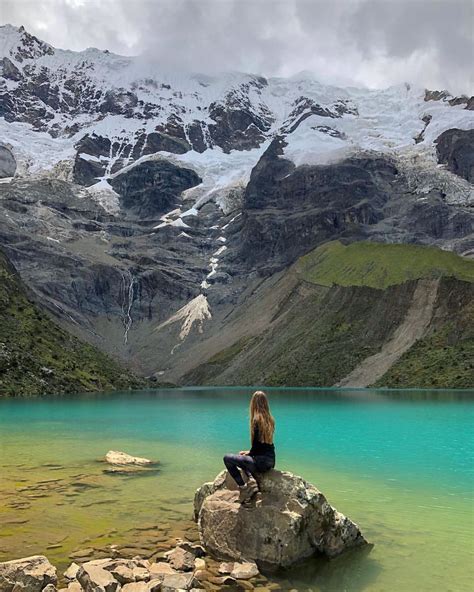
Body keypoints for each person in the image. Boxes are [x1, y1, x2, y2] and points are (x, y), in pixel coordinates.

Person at [223, 390, 276, 505]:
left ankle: (243, 488)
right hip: (270, 461)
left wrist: (249, 453)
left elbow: (256, 447)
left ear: (254, 403)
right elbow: (264, 446)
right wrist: (249, 452)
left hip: (260, 463)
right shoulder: (270, 420)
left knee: (227, 458)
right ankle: (252, 480)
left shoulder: (257, 420)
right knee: (244, 459)